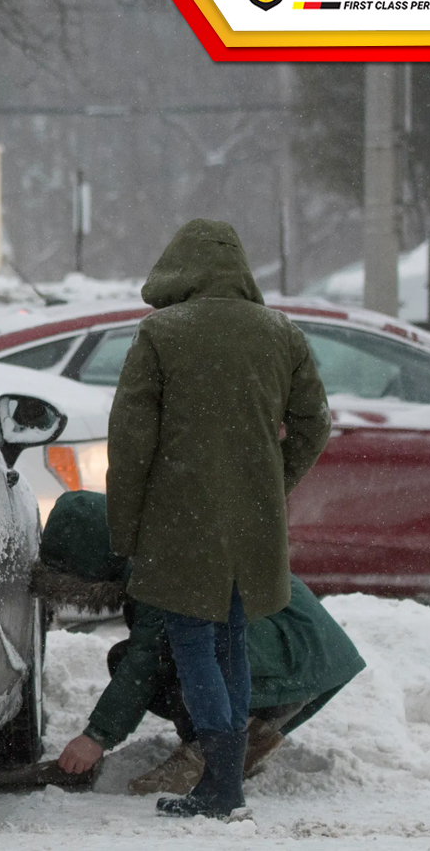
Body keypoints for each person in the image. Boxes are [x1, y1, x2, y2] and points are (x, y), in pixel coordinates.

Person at [95, 219, 332, 818]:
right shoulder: (282, 333)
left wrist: (127, 527)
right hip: (251, 522)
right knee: (231, 642)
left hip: (180, 520)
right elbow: (313, 425)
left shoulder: (161, 334)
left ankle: (221, 785)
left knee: (193, 640)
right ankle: (227, 782)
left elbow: (129, 442)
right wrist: (270, 485)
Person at [41, 491, 364, 795]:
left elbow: (148, 656)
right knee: (143, 653)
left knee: (179, 650)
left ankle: (205, 753)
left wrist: (96, 737)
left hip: (298, 653)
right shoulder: (155, 541)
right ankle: (247, 738)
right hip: (305, 654)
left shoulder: (158, 563)